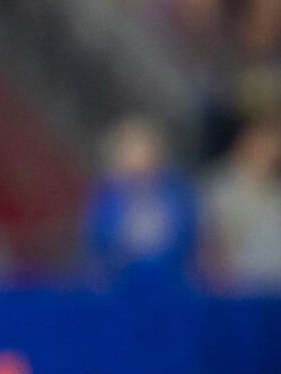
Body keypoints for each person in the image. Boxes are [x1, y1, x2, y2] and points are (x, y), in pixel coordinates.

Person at [197, 116, 281, 291]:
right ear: (246, 141)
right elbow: (209, 244)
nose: (272, 149)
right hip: (241, 290)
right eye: (265, 140)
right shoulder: (220, 188)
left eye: (279, 142)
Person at [80, 116, 197, 284]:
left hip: (170, 281)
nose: (138, 162)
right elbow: (98, 241)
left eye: (144, 152)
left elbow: (187, 238)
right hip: (120, 282)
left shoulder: (178, 194)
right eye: (130, 153)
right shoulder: (105, 197)